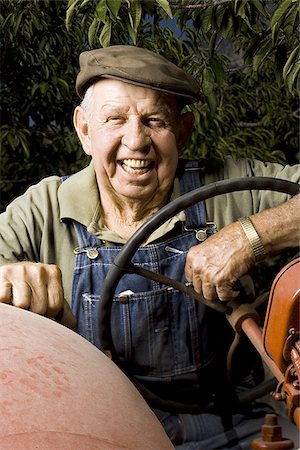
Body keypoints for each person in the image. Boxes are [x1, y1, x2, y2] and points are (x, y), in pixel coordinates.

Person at [0, 45, 299, 449]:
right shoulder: (42, 210)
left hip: (235, 423)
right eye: (115, 119)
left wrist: (250, 235)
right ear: (84, 130)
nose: (136, 142)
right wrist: (4, 278)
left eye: (154, 121)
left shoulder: (226, 189)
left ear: (183, 131)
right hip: (101, 427)